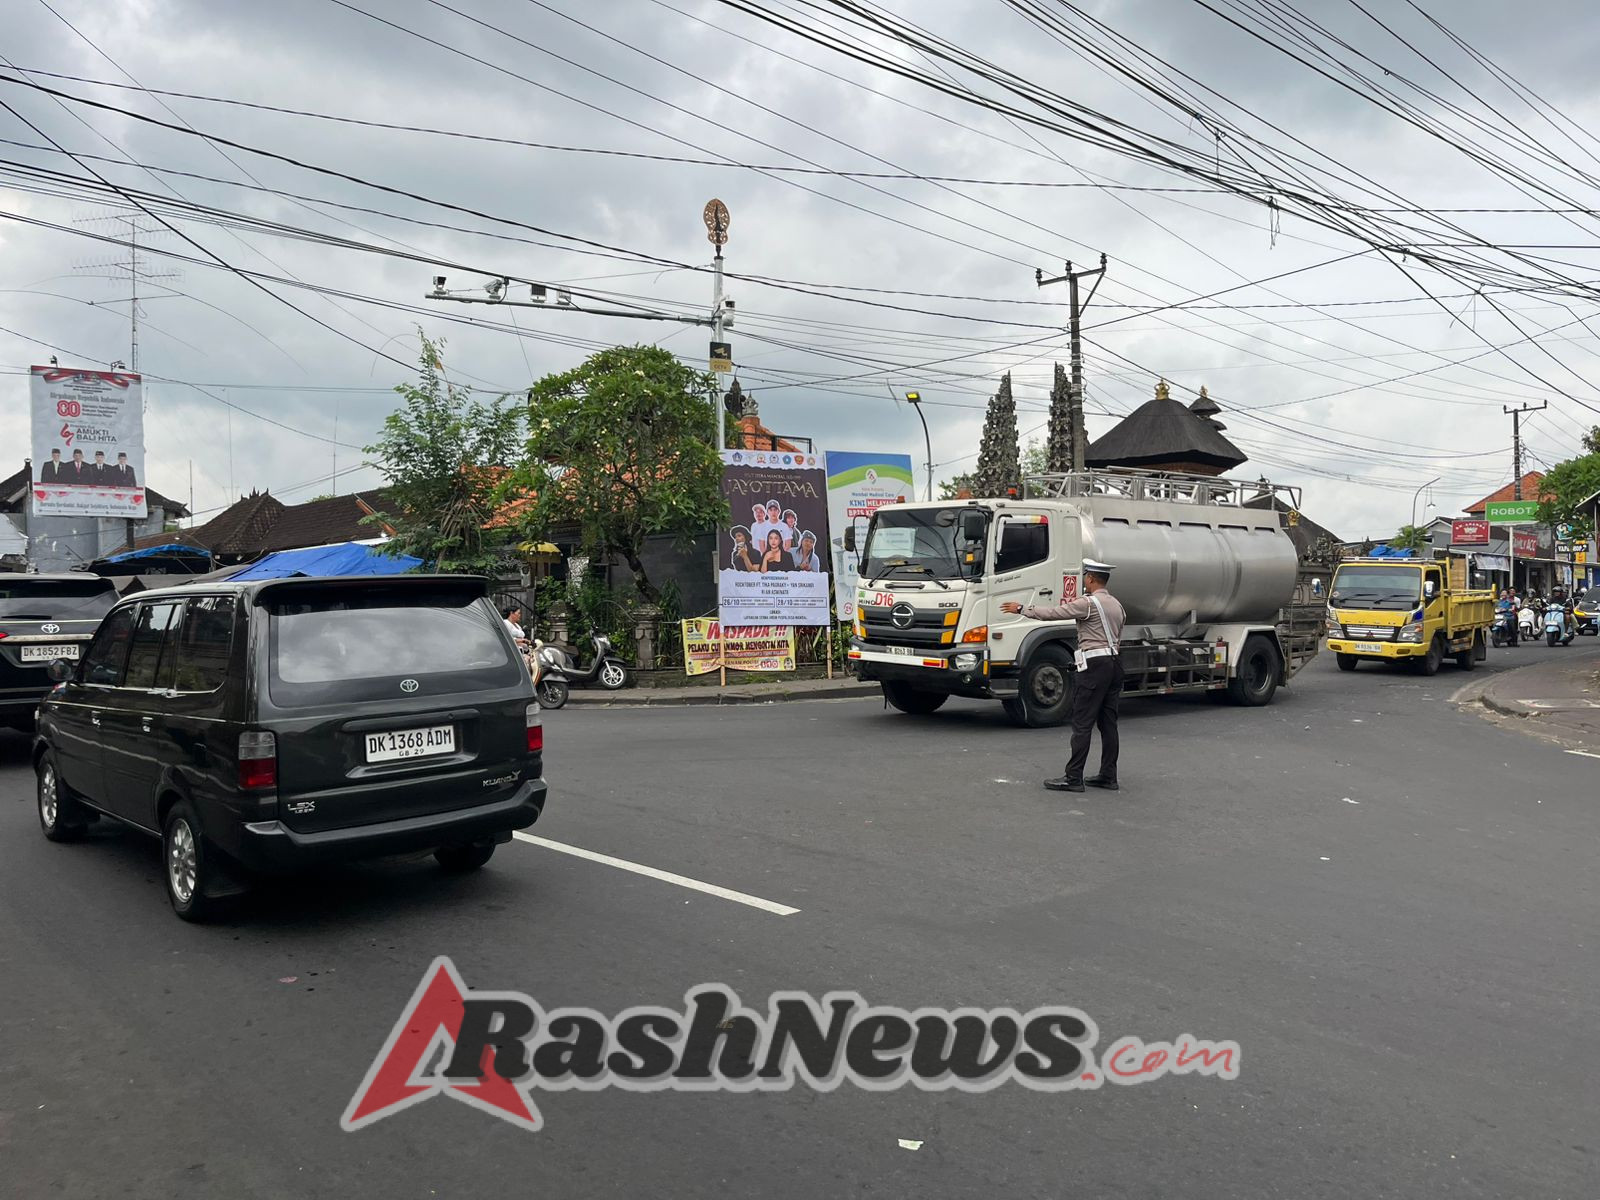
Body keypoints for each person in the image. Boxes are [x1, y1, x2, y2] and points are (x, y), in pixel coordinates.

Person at [1001, 559, 1126, 793]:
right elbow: (1118, 636)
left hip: (1094, 665)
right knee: (1109, 723)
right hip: (1114, 662)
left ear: (1090, 579)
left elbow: (1053, 613)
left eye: (1086, 576)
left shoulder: (1087, 603)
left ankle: (1074, 777)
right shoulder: (1117, 605)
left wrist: (1021, 609)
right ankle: (1109, 776)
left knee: (1082, 723)